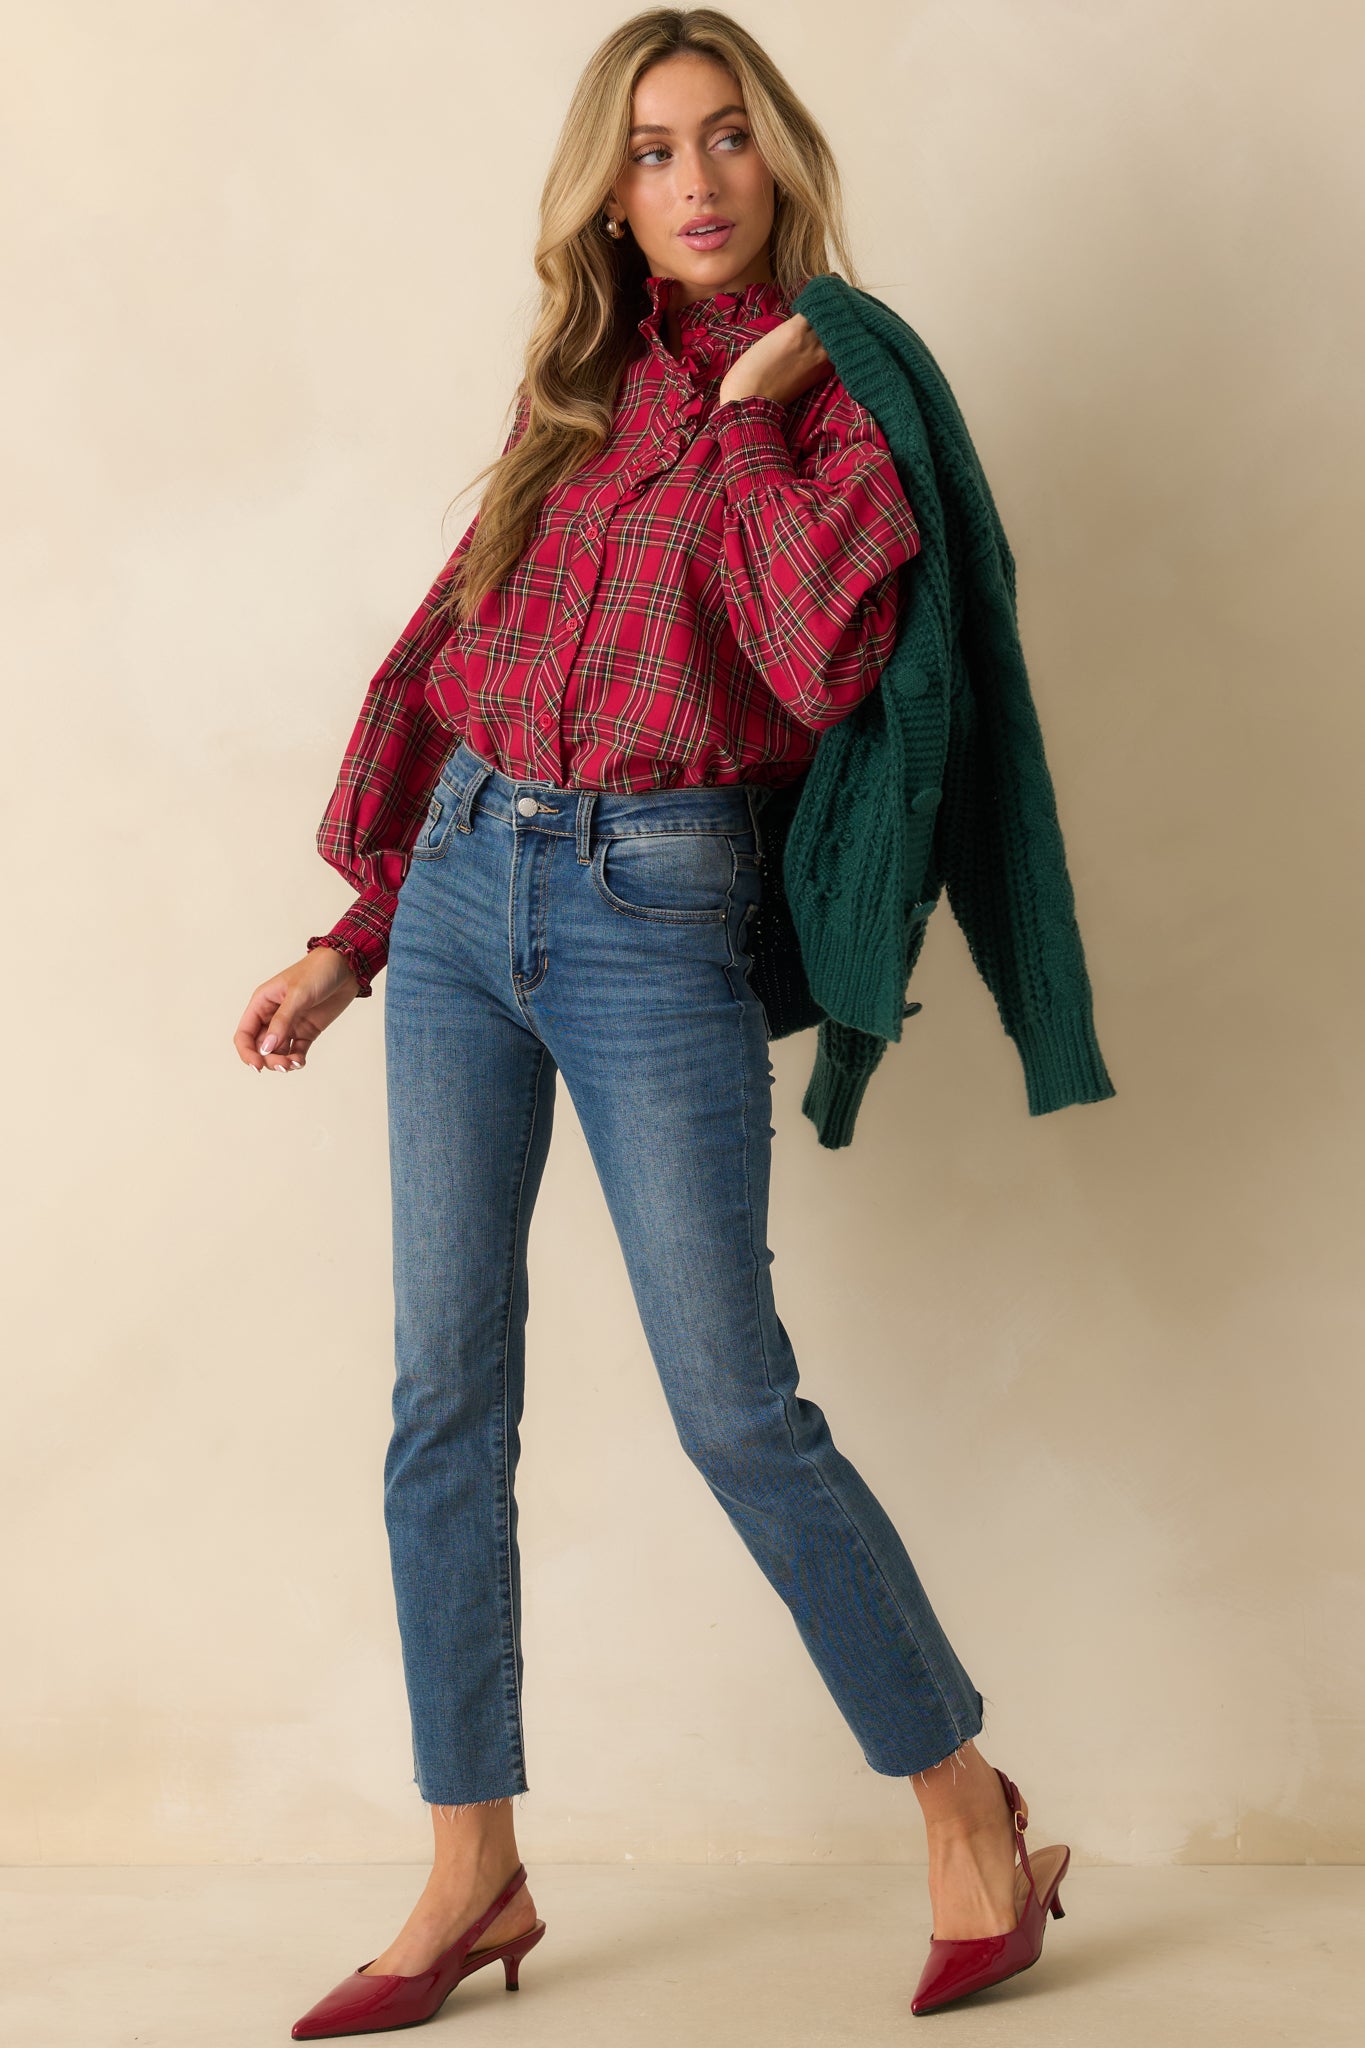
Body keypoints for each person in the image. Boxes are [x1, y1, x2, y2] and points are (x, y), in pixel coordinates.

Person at [234, 11, 1070, 2033]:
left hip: (650, 909)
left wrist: (772, 405)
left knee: (729, 1403)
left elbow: (815, 651)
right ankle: (472, 1867)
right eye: (646, 153)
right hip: (455, 893)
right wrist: (358, 928)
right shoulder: (577, 388)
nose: (690, 185)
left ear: (776, 162)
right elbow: (466, 636)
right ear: (603, 190)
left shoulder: (847, 390)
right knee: (443, 1396)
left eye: (722, 143)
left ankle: (965, 1805)